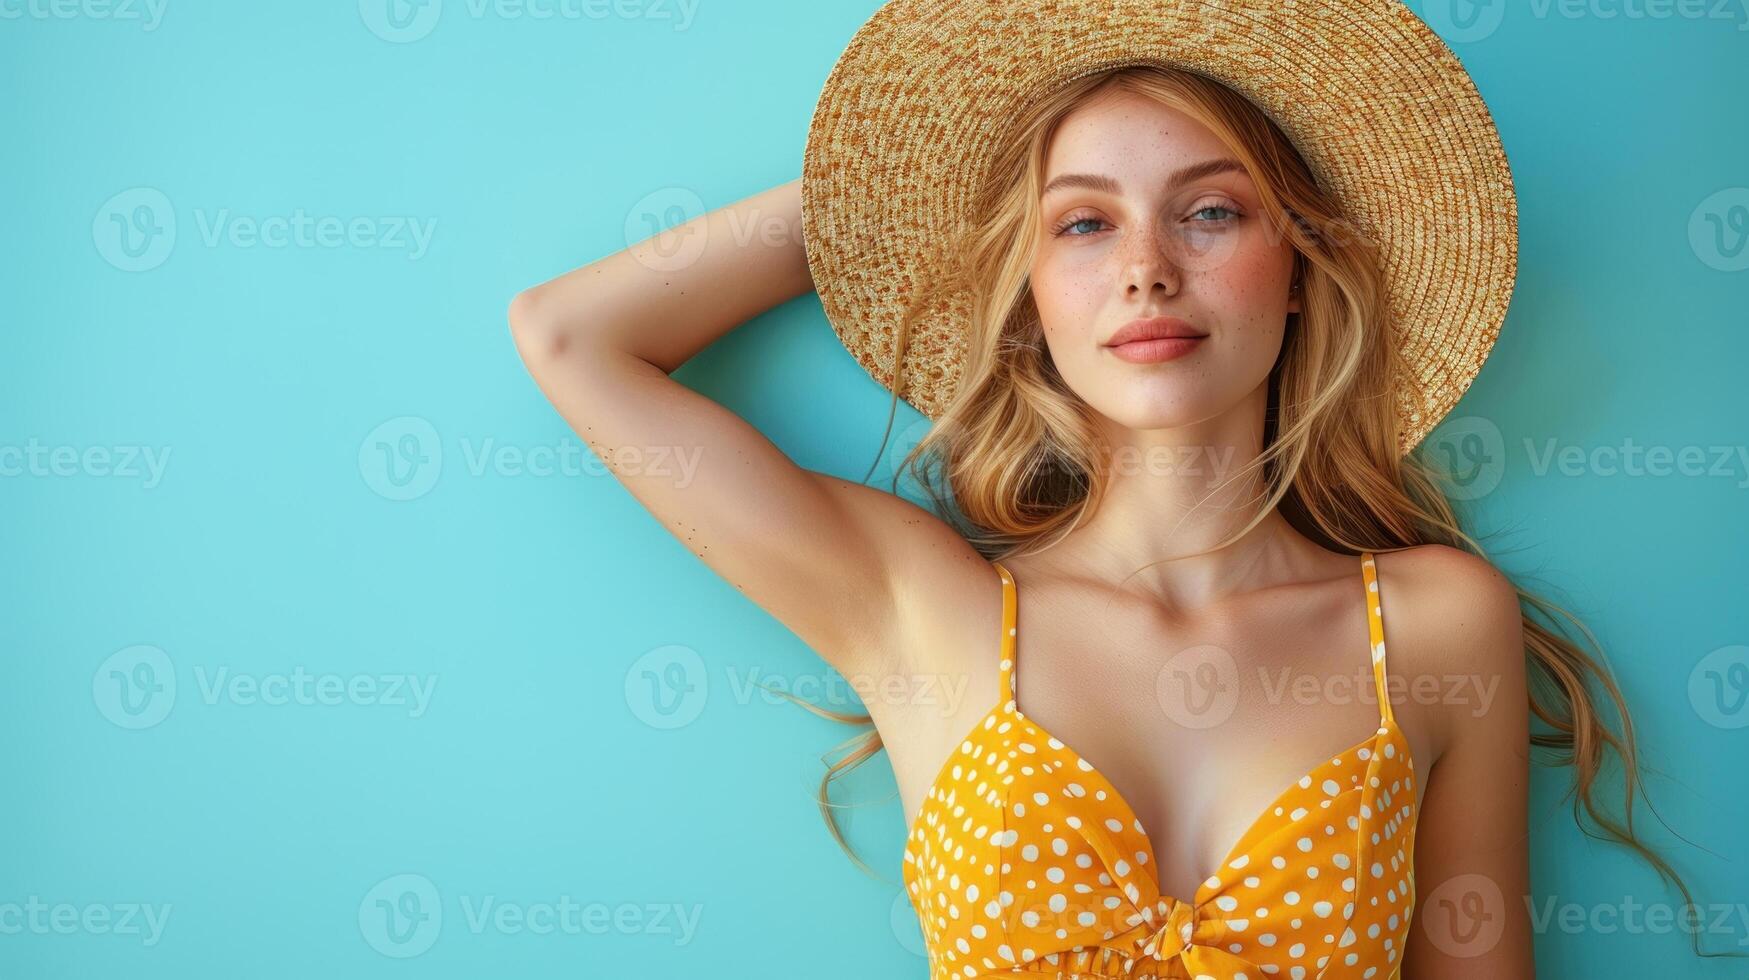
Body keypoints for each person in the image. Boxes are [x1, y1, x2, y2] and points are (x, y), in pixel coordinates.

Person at [507, 2, 1708, 975]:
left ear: (1296, 268)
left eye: (1211, 211)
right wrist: (888, 187)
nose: (1145, 269)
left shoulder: (1441, 621)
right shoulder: (921, 604)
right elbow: (573, 336)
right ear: (1029, 287)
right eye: (1082, 225)